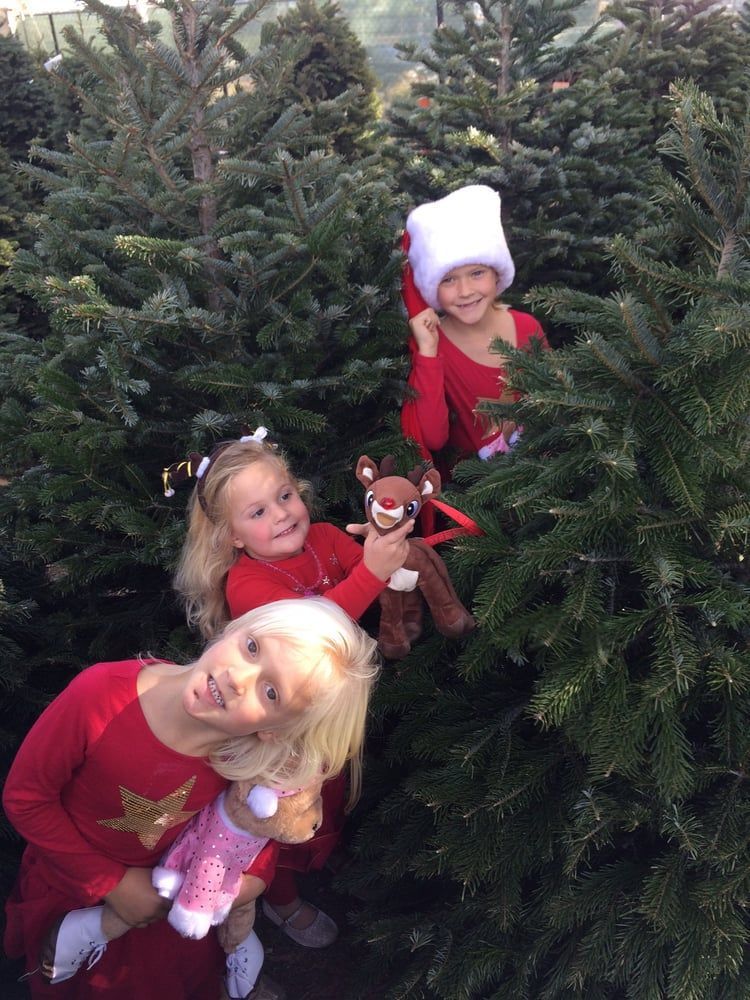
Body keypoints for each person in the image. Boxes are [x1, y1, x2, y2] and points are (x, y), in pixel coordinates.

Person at [3, 597, 380, 1000]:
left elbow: (253, 835)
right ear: (232, 629)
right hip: (77, 885)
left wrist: (249, 885)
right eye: (252, 648)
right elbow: (27, 797)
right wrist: (112, 883)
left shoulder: (248, 760)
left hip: (171, 910)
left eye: (271, 693)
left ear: (275, 731)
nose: (240, 679)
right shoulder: (101, 696)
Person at [168, 429, 412, 950]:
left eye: (284, 496)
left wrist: (381, 549)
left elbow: (365, 567)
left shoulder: (322, 536)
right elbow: (306, 634)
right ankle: (279, 899)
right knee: (275, 811)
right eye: (257, 513)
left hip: (324, 713)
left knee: (326, 793)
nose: (281, 515)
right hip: (279, 727)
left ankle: (321, 856)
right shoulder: (247, 582)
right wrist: (371, 572)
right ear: (231, 536)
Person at [400, 184, 547, 473]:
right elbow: (433, 437)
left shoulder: (527, 327)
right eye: (449, 280)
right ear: (432, 289)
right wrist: (427, 353)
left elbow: (555, 397)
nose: (465, 291)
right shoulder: (436, 345)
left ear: (496, 273)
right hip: (482, 489)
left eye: (476, 273)